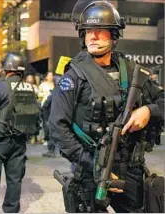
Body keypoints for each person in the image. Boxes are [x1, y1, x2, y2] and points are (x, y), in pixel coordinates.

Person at [49, 0, 164, 213]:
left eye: (100, 31)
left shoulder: (131, 71)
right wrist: (92, 162)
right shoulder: (74, 76)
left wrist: (148, 111)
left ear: (113, 35)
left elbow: (162, 100)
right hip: (90, 168)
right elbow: (58, 128)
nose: (92, 36)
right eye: (88, 31)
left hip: (130, 168)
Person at [0, 52, 40, 213]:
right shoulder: (30, 89)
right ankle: (11, 210)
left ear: (6, 68)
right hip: (19, 141)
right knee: (14, 180)